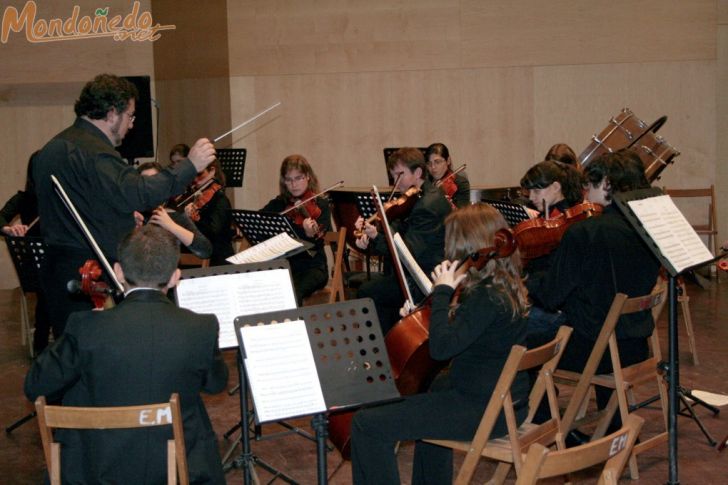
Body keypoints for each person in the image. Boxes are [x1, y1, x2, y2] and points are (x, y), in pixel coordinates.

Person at [25, 225, 229, 484]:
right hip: (175, 468)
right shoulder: (201, 327)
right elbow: (215, 383)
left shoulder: (84, 326)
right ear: (176, 276)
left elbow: (35, 386)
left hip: (94, 469)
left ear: (119, 272)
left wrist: (81, 334)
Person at [350, 203, 530, 484]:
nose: (447, 252)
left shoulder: (485, 296)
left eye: (451, 244)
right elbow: (469, 330)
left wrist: (443, 291)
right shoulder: (503, 284)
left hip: (485, 410)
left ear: (470, 248)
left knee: (366, 425)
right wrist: (426, 314)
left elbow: (442, 349)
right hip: (507, 401)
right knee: (434, 390)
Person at [32, 73, 215, 337]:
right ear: (111, 113)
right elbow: (141, 192)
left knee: (75, 349)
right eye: (129, 115)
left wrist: (121, 218)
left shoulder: (52, 148)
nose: (131, 124)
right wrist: (190, 166)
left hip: (58, 268)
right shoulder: (94, 152)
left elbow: (87, 204)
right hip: (88, 271)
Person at [528, 150, 660, 421]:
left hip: (594, 349)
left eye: (590, 184)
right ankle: (613, 426)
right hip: (634, 344)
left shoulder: (585, 232)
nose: (585, 191)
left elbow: (551, 296)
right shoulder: (651, 228)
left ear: (608, 184)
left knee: (516, 345)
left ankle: (548, 430)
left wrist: (527, 281)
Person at [355, 147, 451, 334]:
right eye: (392, 176)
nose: (395, 182)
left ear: (417, 172)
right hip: (409, 273)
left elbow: (408, 252)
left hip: (423, 277)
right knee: (376, 291)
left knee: (367, 293)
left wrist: (377, 235)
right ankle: (389, 345)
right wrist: (371, 236)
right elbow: (396, 234)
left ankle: (382, 350)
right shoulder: (415, 197)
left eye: (399, 175)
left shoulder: (428, 205)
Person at [261, 154, 330, 305]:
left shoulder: (321, 204)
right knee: (263, 291)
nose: (294, 184)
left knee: (291, 294)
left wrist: (309, 234)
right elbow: (260, 218)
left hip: (312, 268)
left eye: (298, 178)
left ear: (308, 177)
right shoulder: (280, 203)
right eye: (289, 179)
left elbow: (318, 242)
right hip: (285, 266)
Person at [1, 151, 51, 354]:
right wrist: (9, 229)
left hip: (57, 264)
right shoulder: (23, 199)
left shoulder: (61, 199)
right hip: (36, 269)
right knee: (48, 287)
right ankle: (41, 344)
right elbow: (1, 217)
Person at [136, 161, 213, 260]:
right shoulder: (133, 214)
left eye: (154, 181)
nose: (150, 187)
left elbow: (205, 250)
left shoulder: (173, 214)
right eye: (145, 182)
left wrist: (170, 225)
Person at [183, 159, 235, 266]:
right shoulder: (194, 195)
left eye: (200, 174)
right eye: (193, 175)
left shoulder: (220, 200)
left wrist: (192, 218)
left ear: (212, 171)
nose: (195, 179)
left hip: (217, 261)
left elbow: (211, 232)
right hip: (195, 257)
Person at [425, 142, 470, 208]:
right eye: (429, 163)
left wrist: (443, 197)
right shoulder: (425, 182)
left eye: (437, 162)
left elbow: (461, 215)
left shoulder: (461, 183)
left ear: (448, 160)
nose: (433, 167)